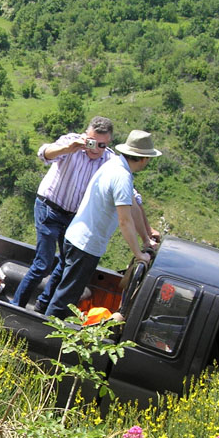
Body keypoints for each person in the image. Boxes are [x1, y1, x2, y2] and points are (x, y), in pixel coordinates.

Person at [44, 130, 162, 319]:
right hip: (86, 244)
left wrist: (146, 240)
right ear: (143, 159)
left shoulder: (115, 165)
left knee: (64, 289)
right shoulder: (122, 177)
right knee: (66, 299)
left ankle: (42, 315)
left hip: (78, 237)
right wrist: (138, 253)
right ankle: (43, 337)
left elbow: (133, 208)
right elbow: (125, 220)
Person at [10, 116, 116, 312]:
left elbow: (126, 189)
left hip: (74, 218)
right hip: (49, 208)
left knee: (65, 264)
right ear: (86, 136)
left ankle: (42, 305)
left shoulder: (109, 161)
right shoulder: (71, 143)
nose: (95, 149)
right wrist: (69, 148)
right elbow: (44, 154)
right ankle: (16, 306)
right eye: (92, 142)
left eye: (102, 145)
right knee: (43, 264)